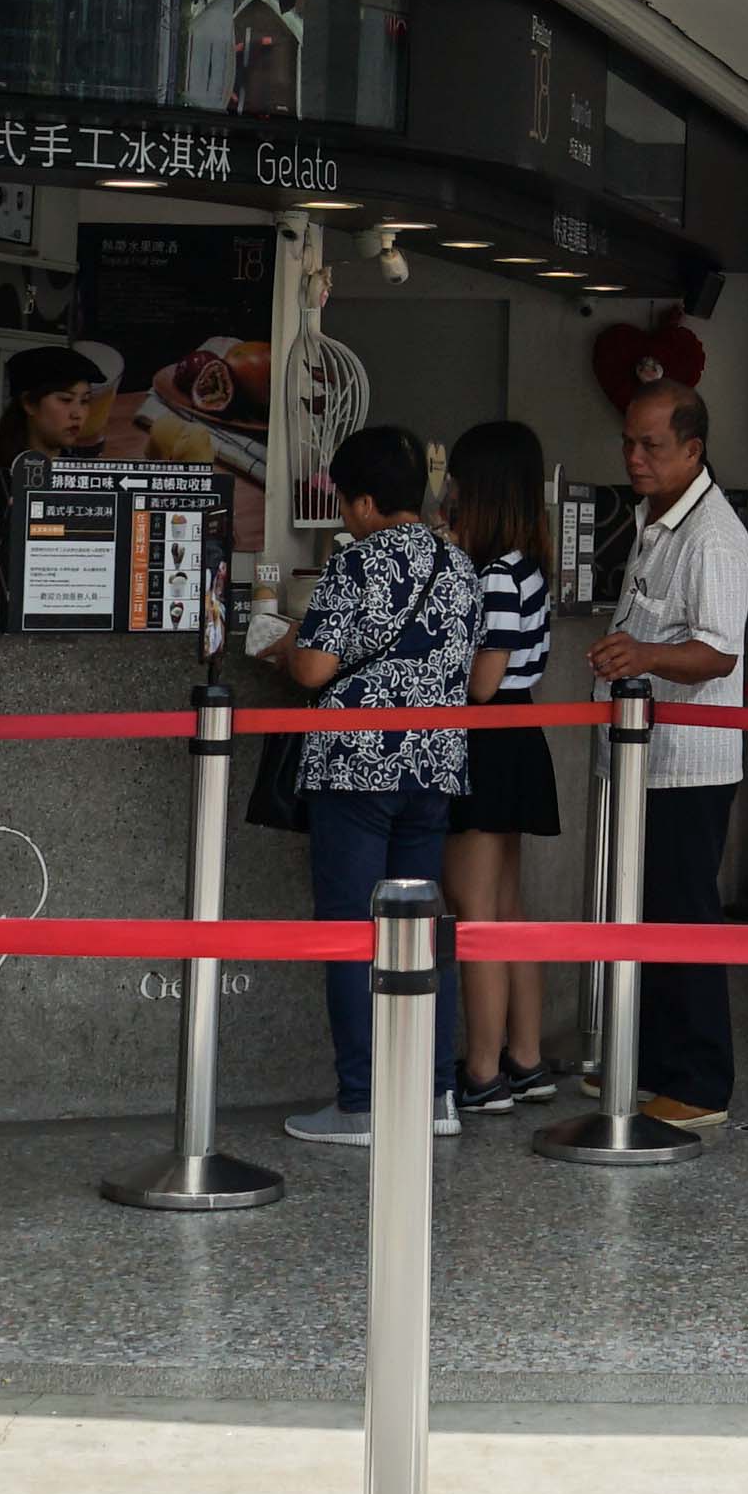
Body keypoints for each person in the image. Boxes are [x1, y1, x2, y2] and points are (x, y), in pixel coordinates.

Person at [264, 421, 472, 1145]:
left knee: (353, 933)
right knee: (422, 938)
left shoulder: (355, 565)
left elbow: (316, 669)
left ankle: (361, 1100)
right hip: (434, 767)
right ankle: (437, 1094)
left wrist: (288, 646)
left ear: (362, 502)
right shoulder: (459, 566)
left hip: (357, 768)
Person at [586, 377, 748, 1123]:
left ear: (694, 447)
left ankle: (697, 1083)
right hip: (643, 759)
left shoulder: (714, 536)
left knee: (683, 914)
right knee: (644, 911)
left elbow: (718, 653)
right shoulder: (657, 521)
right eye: (629, 442)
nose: (635, 457)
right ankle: (649, 1061)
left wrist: (645, 656)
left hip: (689, 763)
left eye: (652, 445)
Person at [440, 417, 568, 1113]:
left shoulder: (494, 574)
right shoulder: (528, 564)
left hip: (486, 739)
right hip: (522, 737)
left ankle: (483, 1072)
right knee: (510, 908)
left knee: (474, 913)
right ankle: (526, 1058)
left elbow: (482, 682)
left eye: (458, 482)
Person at [0, 342, 120, 634]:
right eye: (65, 399)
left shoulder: (86, 472)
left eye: (84, 401)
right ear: (29, 403)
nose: (78, 414)